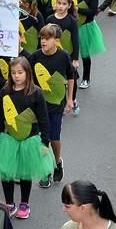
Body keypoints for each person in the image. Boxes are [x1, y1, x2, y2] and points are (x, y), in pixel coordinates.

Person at [0, 57, 55, 220]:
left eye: (20, 72)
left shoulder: (36, 93)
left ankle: (25, 203)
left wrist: (45, 141)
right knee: (6, 171)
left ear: (27, 73)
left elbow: (44, 119)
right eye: (13, 73)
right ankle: (9, 203)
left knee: (26, 172)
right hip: (8, 138)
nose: (16, 76)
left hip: (29, 139)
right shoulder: (4, 91)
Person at [30, 24, 76, 188]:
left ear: (56, 41)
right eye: (42, 38)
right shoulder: (34, 57)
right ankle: (45, 172)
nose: (43, 42)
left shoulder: (63, 56)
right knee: (43, 139)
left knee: (54, 138)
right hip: (38, 105)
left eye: (47, 39)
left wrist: (70, 99)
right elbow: (29, 79)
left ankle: (57, 162)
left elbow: (71, 77)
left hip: (57, 103)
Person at [74, 0, 105, 90]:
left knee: (85, 54)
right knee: (72, 53)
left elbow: (93, 12)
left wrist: (78, 10)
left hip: (86, 26)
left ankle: (86, 78)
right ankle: (72, 75)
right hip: (74, 25)